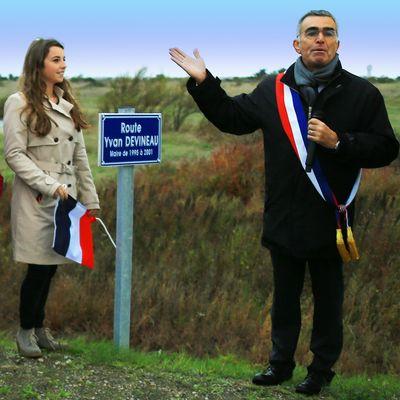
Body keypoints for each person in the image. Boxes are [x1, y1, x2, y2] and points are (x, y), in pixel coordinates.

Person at [169, 9, 399, 396]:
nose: (320, 39)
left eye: (328, 33)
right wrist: (204, 82)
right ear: (297, 44)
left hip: (332, 219)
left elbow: (386, 148)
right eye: (312, 33)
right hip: (284, 216)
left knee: (329, 301)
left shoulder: (363, 94)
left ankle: (321, 371)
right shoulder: (272, 90)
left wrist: (340, 143)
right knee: (285, 298)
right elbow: (232, 118)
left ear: (339, 44)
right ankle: (279, 365)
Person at [3, 39, 100, 358]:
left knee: (53, 264)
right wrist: (47, 185)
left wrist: (91, 199)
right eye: (56, 59)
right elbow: (14, 155)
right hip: (36, 197)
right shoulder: (18, 102)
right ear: (38, 65)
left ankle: (40, 327)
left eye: (64, 59)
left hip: (67, 198)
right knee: (38, 266)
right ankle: (25, 332)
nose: (63, 65)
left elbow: (80, 156)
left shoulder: (67, 104)